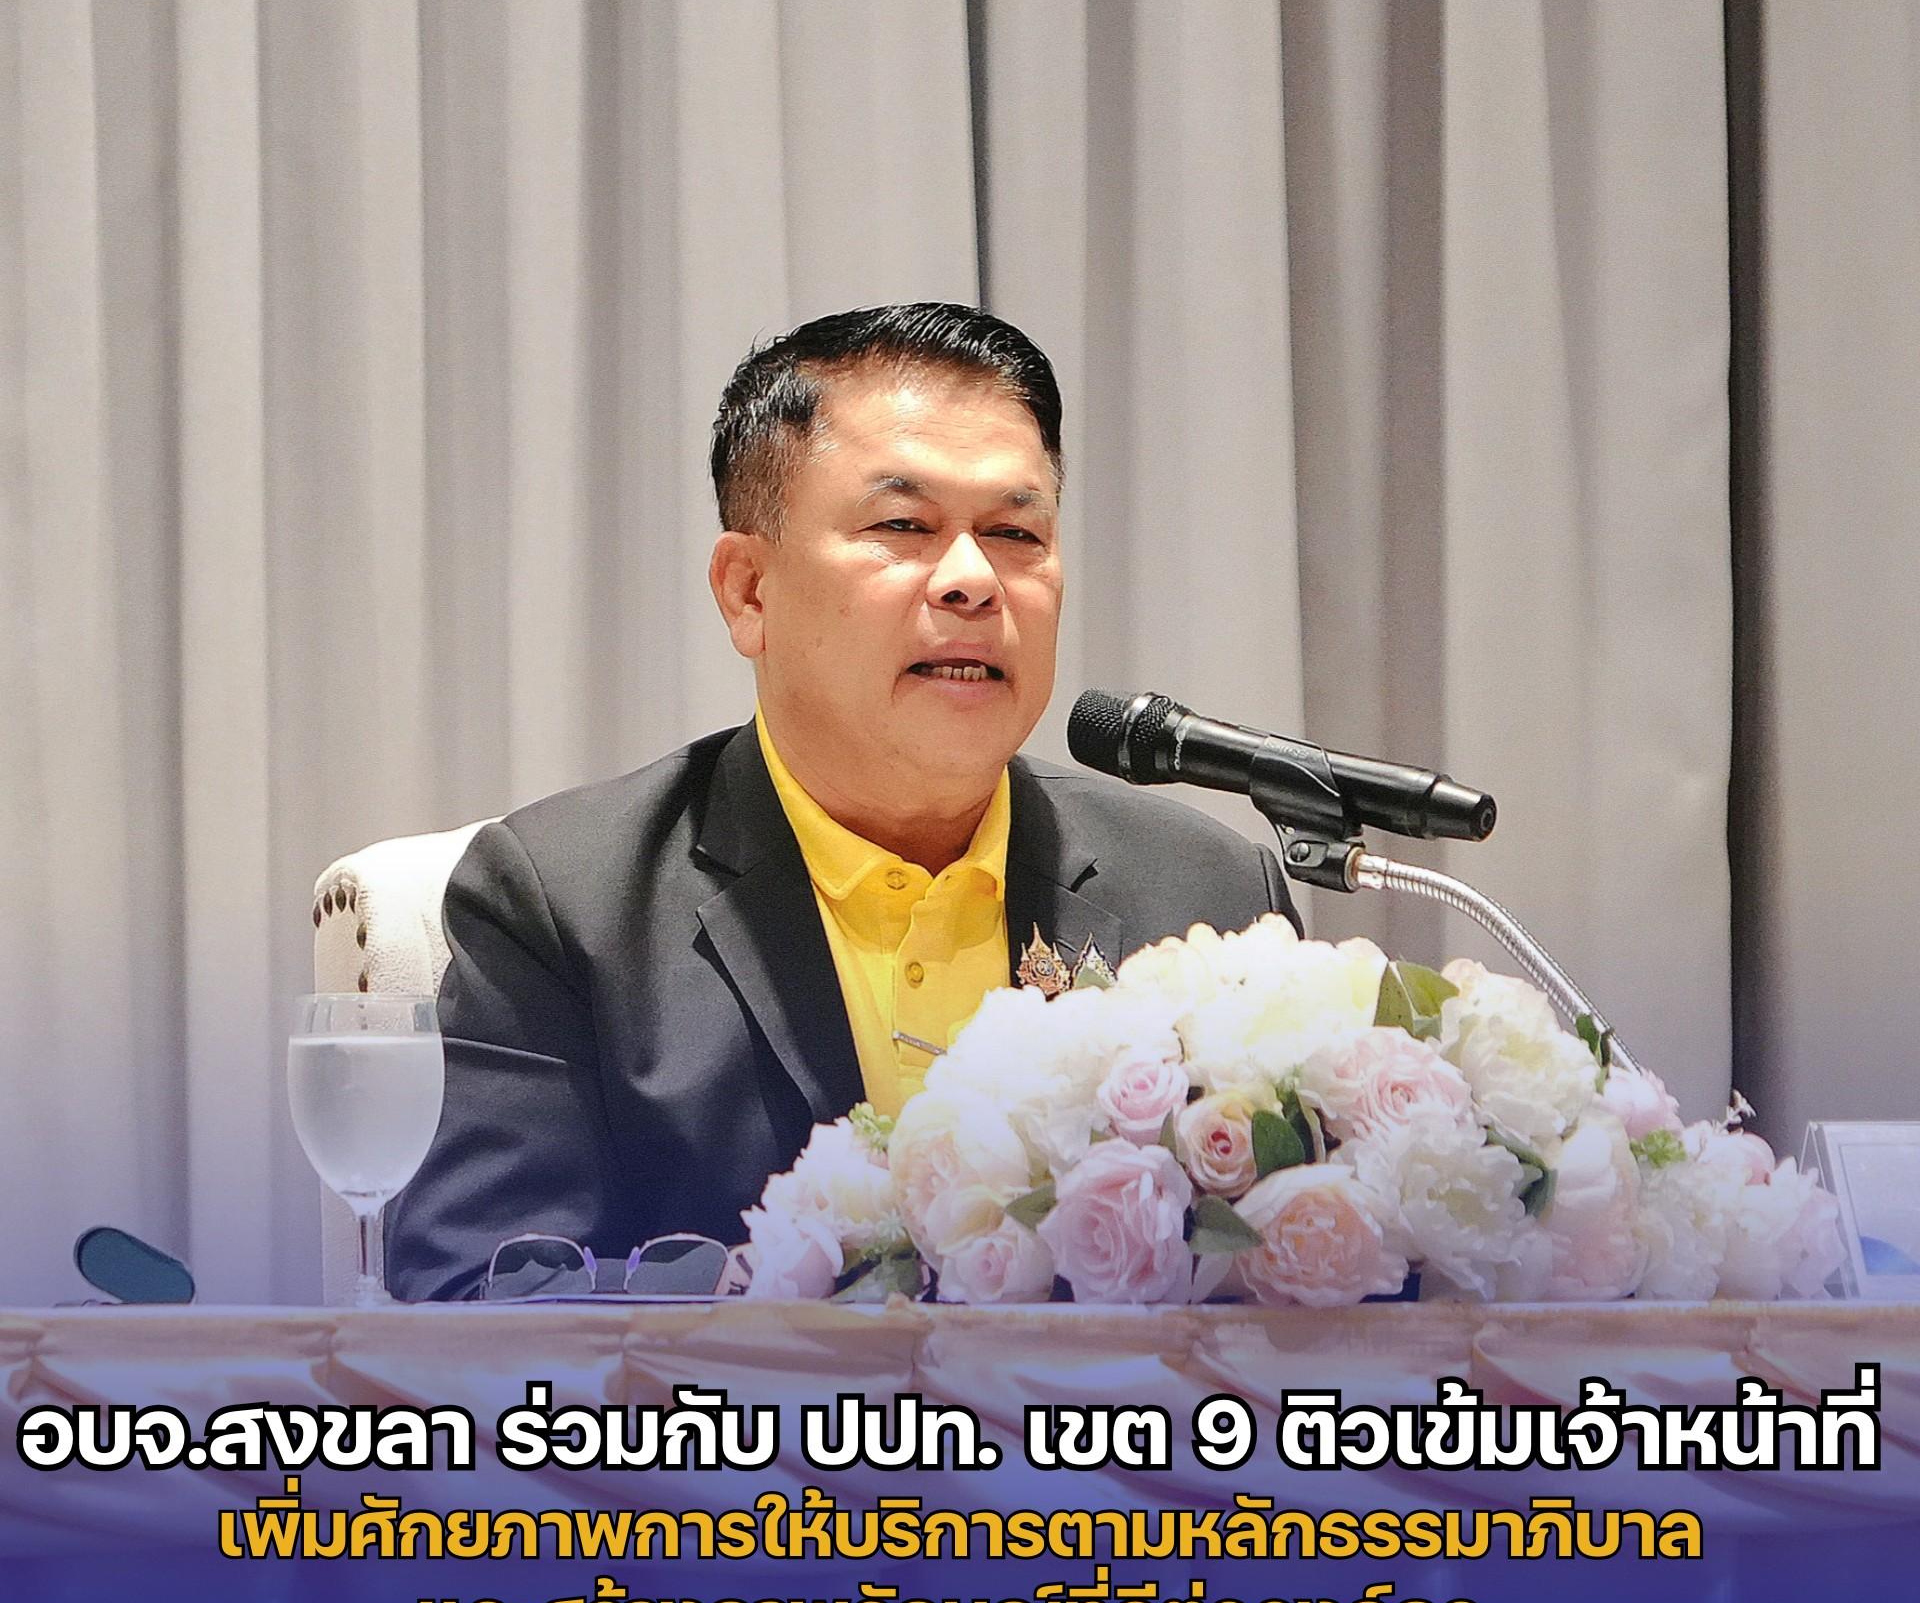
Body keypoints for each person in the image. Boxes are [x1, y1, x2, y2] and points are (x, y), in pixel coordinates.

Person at [387, 303, 1300, 1300]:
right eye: (903, 526)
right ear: (748, 591)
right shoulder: (564, 906)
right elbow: (480, 1296)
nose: (972, 580)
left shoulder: (1206, 893)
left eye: (1015, 532)